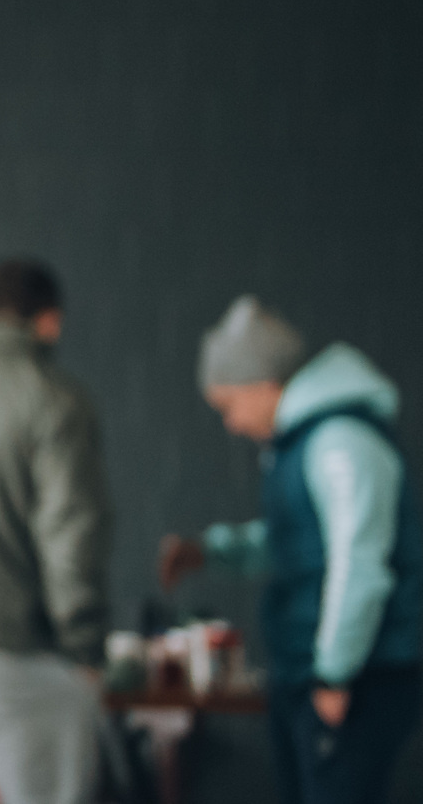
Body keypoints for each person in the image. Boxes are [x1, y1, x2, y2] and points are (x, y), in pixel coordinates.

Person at [160, 297, 421, 804]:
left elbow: (360, 565)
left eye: (229, 405)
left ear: (263, 384)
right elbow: (297, 544)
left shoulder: (340, 442)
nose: (231, 424)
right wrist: (210, 553)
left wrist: (334, 675)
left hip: (353, 683)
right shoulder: (296, 445)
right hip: (309, 676)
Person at [0, 259, 111, 804]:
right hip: (18, 650)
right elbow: (70, 531)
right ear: (48, 323)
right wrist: (84, 645)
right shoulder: (51, 399)